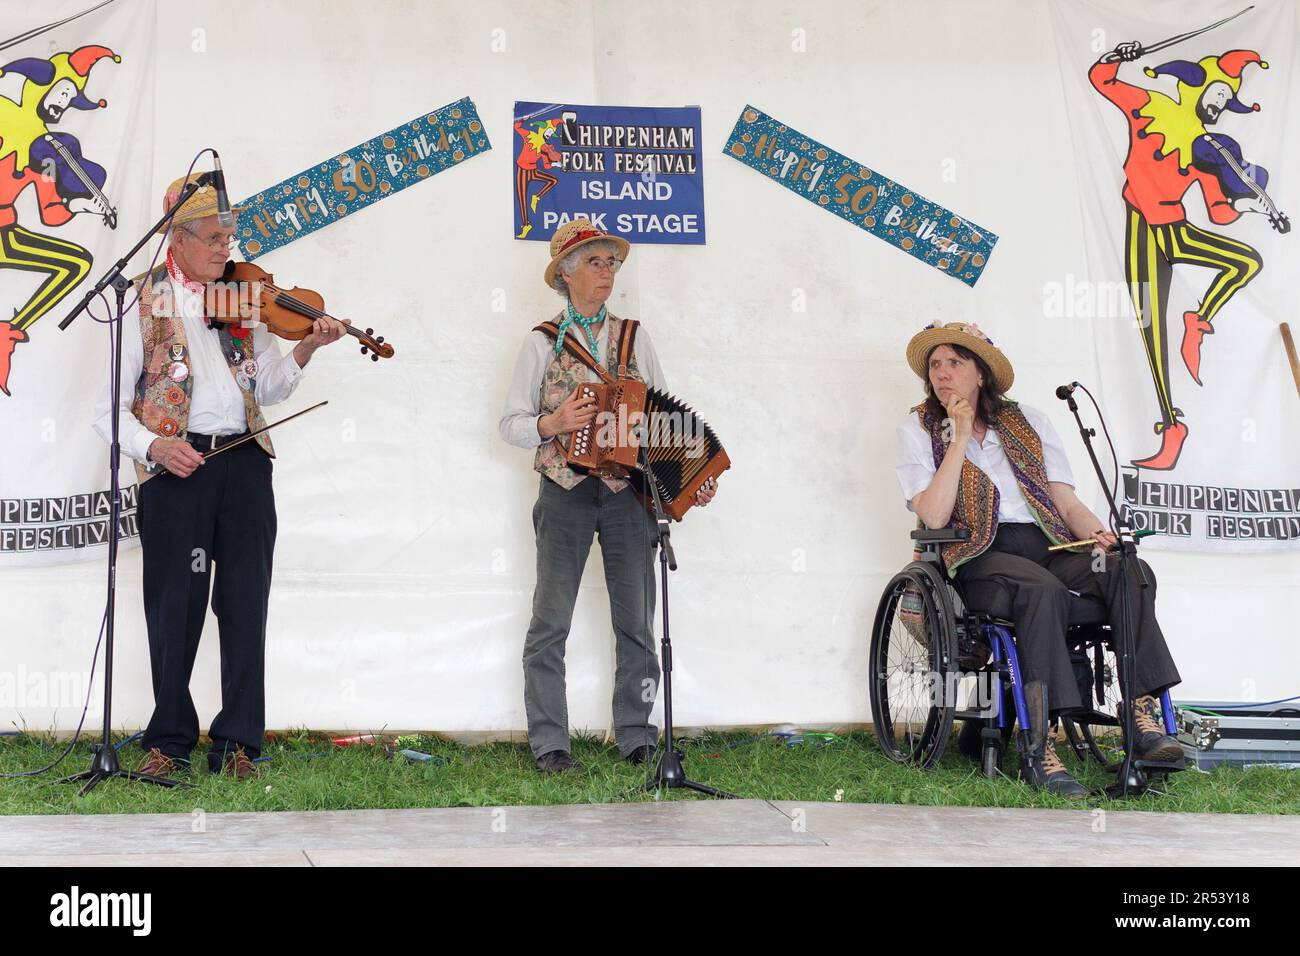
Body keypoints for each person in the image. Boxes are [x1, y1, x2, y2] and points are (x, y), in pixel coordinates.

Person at [91, 172, 348, 779]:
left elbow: (269, 387)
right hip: (178, 468)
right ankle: (170, 741)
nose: (224, 249)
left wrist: (305, 350)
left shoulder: (243, 297)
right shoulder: (139, 298)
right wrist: (155, 445)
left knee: (243, 601)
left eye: (228, 236)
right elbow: (105, 409)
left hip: (245, 461)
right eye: (211, 238)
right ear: (176, 240)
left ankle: (237, 744)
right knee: (174, 604)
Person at [895, 321, 1182, 797]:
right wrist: (960, 434)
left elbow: (1064, 502)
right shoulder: (917, 429)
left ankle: (1142, 712)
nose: (942, 373)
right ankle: (1039, 744)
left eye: (955, 362)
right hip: (977, 553)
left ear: (981, 373)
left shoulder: (1028, 421)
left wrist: (1098, 536)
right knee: (1040, 590)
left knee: (1127, 568)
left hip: (1047, 544)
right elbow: (933, 512)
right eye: (935, 365)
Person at [499, 218, 717, 774]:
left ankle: (639, 735)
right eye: (595, 263)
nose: (607, 273)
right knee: (550, 623)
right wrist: (554, 421)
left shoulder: (635, 336)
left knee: (637, 623)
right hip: (563, 491)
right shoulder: (540, 341)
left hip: (626, 497)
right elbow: (510, 422)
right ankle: (551, 744)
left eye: (612, 263)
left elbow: (664, 418)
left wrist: (691, 476)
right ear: (566, 274)